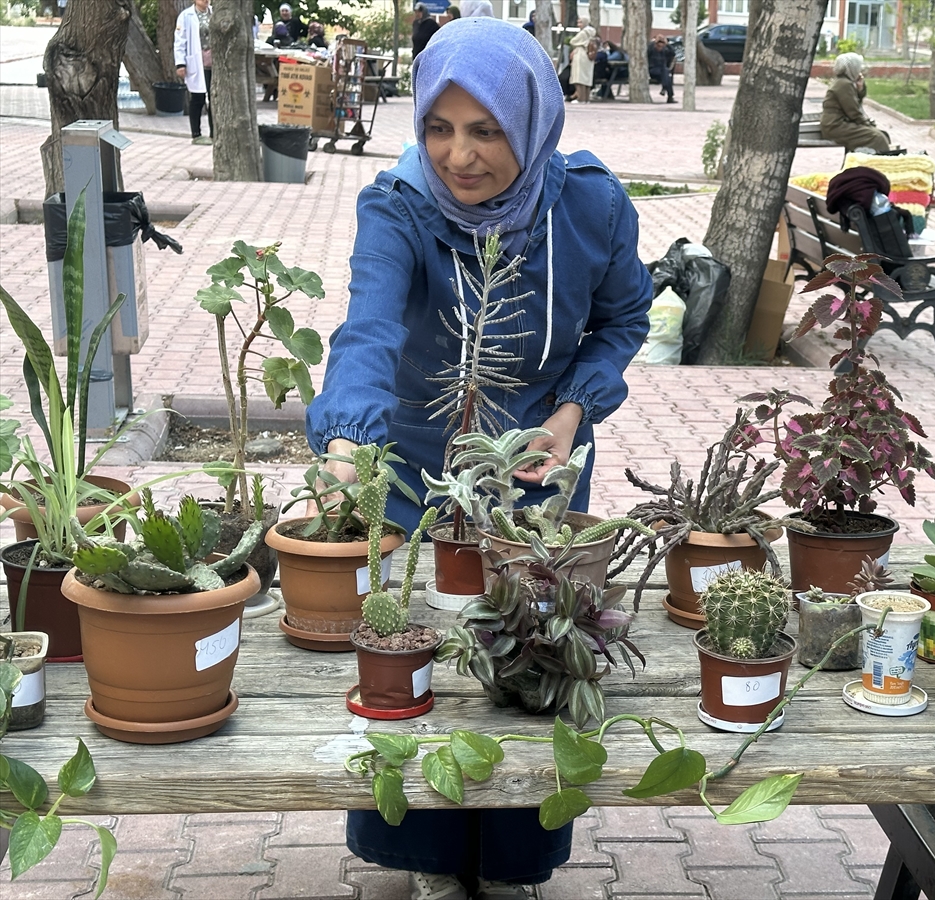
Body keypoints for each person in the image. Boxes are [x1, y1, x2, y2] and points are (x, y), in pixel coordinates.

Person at [305, 18, 652, 900]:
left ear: (531, 125)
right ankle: (424, 860)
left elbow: (622, 322)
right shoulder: (400, 207)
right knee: (410, 660)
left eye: (486, 129)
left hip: (535, 472)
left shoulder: (590, 206)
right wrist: (348, 444)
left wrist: (570, 417)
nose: (458, 157)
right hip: (415, 472)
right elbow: (369, 326)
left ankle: (512, 861)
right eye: (439, 127)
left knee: (524, 659)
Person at [820, 51, 890, 153]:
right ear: (852, 68)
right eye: (858, 67)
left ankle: (867, 164)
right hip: (836, 126)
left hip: (837, 125)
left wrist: (859, 89)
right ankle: (877, 165)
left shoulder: (843, 82)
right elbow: (853, 112)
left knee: (880, 134)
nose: (859, 70)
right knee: (877, 138)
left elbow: (853, 105)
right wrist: (867, 124)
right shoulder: (844, 84)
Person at [174, 0, 214, 146]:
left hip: (213, 63)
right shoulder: (186, 16)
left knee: (214, 99)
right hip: (196, 62)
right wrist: (180, 63)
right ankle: (196, 134)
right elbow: (179, 41)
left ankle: (214, 133)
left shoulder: (214, 14)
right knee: (198, 98)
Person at [568, 15, 597, 103]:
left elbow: (572, 41)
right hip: (588, 56)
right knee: (586, 79)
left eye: (580, 22)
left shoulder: (583, 33)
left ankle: (580, 98)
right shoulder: (592, 32)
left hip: (581, 55)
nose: (578, 24)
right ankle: (586, 98)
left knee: (579, 78)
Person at [647, 34, 675, 103]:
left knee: (665, 72)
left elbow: (673, 53)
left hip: (662, 73)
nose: (660, 47)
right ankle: (669, 95)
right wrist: (654, 41)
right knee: (666, 73)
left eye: (662, 45)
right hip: (653, 71)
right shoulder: (651, 49)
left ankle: (665, 89)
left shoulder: (665, 51)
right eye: (658, 45)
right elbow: (647, 50)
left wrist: (667, 44)